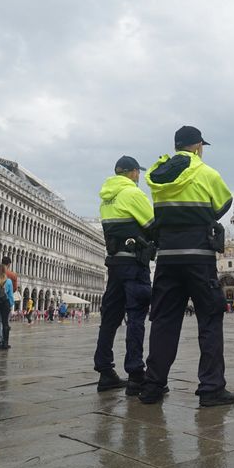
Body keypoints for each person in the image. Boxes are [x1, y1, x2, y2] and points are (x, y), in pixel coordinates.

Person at [139, 126, 234, 407]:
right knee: (209, 318)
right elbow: (223, 203)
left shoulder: (158, 176)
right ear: (197, 147)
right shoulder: (206, 172)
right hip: (199, 256)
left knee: (163, 322)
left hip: (167, 257)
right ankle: (211, 388)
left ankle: (153, 386)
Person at [94, 155, 156, 394]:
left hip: (115, 264)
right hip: (134, 264)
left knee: (109, 318)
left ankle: (104, 370)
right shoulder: (132, 193)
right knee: (136, 317)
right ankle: (136, 373)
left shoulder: (106, 198)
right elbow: (152, 224)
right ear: (132, 173)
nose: (138, 176)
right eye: (137, 172)